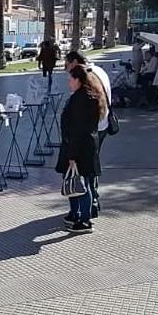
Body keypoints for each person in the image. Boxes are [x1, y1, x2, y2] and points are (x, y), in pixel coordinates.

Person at [57, 66, 107, 234]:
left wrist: (72, 155)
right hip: (85, 146)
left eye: (70, 79)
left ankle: (84, 220)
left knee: (81, 184)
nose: (69, 83)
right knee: (81, 182)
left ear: (78, 80)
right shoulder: (89, 96)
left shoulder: (80, 100)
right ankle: (78, 215)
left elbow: (77, 129)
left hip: (79, 148)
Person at [64, 51, 111, 218]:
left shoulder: (87, 79)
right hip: (100, 125)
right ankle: (91, 203)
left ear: (75, 63)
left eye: (68, 66)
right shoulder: (100, 71)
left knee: (86, 173)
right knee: (90, 169)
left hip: (91, 130)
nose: (67, 71)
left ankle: (88, 207)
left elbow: (79, 120)